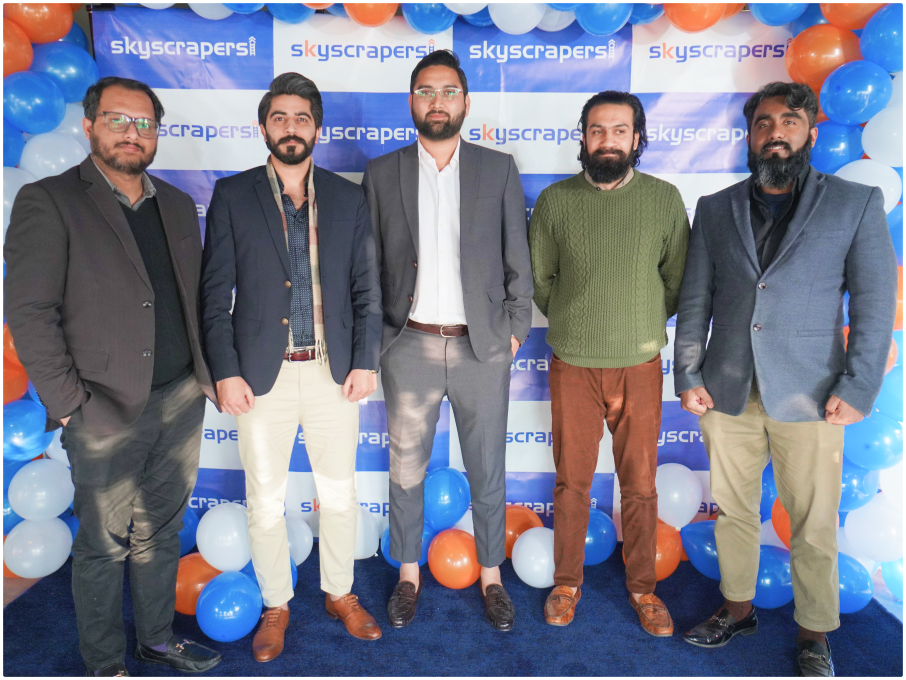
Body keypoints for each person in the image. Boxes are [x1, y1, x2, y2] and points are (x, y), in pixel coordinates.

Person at [674, 82, 897, 677]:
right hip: (726, 391)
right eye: (764, 123)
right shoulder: (715, 207)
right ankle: (737, 608)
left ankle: (814, 632)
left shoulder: (855, 203)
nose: (776, 132)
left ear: (810, 133)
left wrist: (858, 387)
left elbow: (874, 305)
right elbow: (695, 300)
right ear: (750, 136)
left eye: (789, 122)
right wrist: (687, 372)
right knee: (733, 511)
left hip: (814, 394)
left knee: (813, 523)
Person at [4, 76, 221, 677]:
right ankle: (104, 664)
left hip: (180, 398)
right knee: (102, 545)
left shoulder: (175, 203)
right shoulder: (50, 200)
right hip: (101, 409)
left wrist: (203, 377)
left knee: (161, 532)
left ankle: (156, 640)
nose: (133, 132)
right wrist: (69, 404)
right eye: (119, 120)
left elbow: (190, 298)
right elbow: (29, 310)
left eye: (145, 123)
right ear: (89, 126)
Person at [200, 72, 383, 661]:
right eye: (279, 117)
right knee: (265, 500)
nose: (291, 127)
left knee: (340, 495)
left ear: (317, 129)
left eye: (302, 118)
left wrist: (366, 361)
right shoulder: (233, 195)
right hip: (261, 377)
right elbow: (214, 294)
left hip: (334, 372)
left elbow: (367, 289)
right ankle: (276, 603)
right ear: (263, 128)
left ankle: (339, 592)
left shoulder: (349, 198)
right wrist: (225, 371)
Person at [362, 49, 532, 632]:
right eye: (426, 91)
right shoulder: (381, 173)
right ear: (412, 102)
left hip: (481, 346)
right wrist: (376, 340)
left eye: (448, 91)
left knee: (487, 469)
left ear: (465, 101)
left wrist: (515, 331)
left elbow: (518, 259)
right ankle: (408, 574)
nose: (437, 101)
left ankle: (491, 575)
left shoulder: (497, 168)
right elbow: (368, 267)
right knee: (406, 468)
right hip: (407, 345)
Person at [529, 91, 689, 635]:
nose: (608, 140)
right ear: (583, 137)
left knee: (639, 484)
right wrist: (579, 321)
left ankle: (643, 588)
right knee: (572, 482)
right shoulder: (555, 201)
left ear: (637, 138)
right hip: (573, 362)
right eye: (597, 130)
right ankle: (566, 583)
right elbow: (542, 282)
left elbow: (676, 281)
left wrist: (634, 323)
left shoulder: (664, 199)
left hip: (639, 364)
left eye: (620, 130)